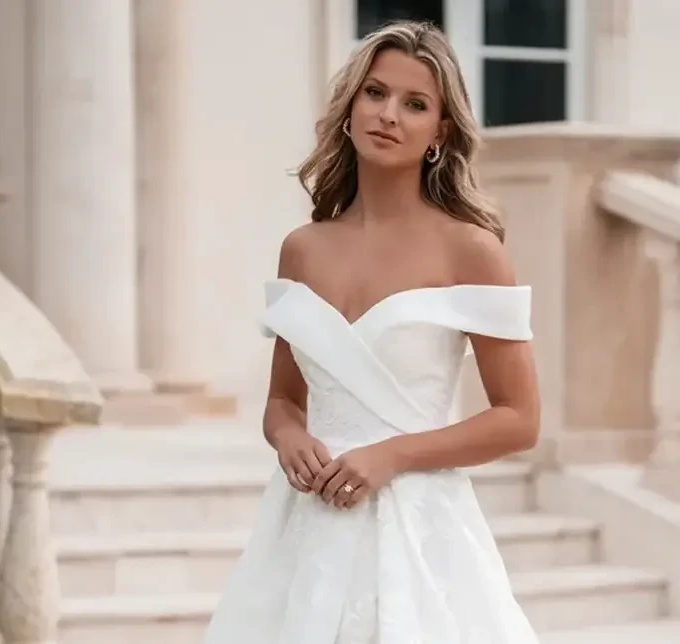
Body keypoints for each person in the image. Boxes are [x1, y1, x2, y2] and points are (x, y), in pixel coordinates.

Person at [203, 20, 542, 644]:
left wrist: (393, 454)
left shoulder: (472, 250)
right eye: (376, 93)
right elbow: (283, 400)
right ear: (351, 105)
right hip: (307, 529)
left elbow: (518, 419)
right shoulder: (302, 249)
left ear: (440, 133)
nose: (389, 115)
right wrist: (288, 437)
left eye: (415, 104)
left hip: (419, 534)